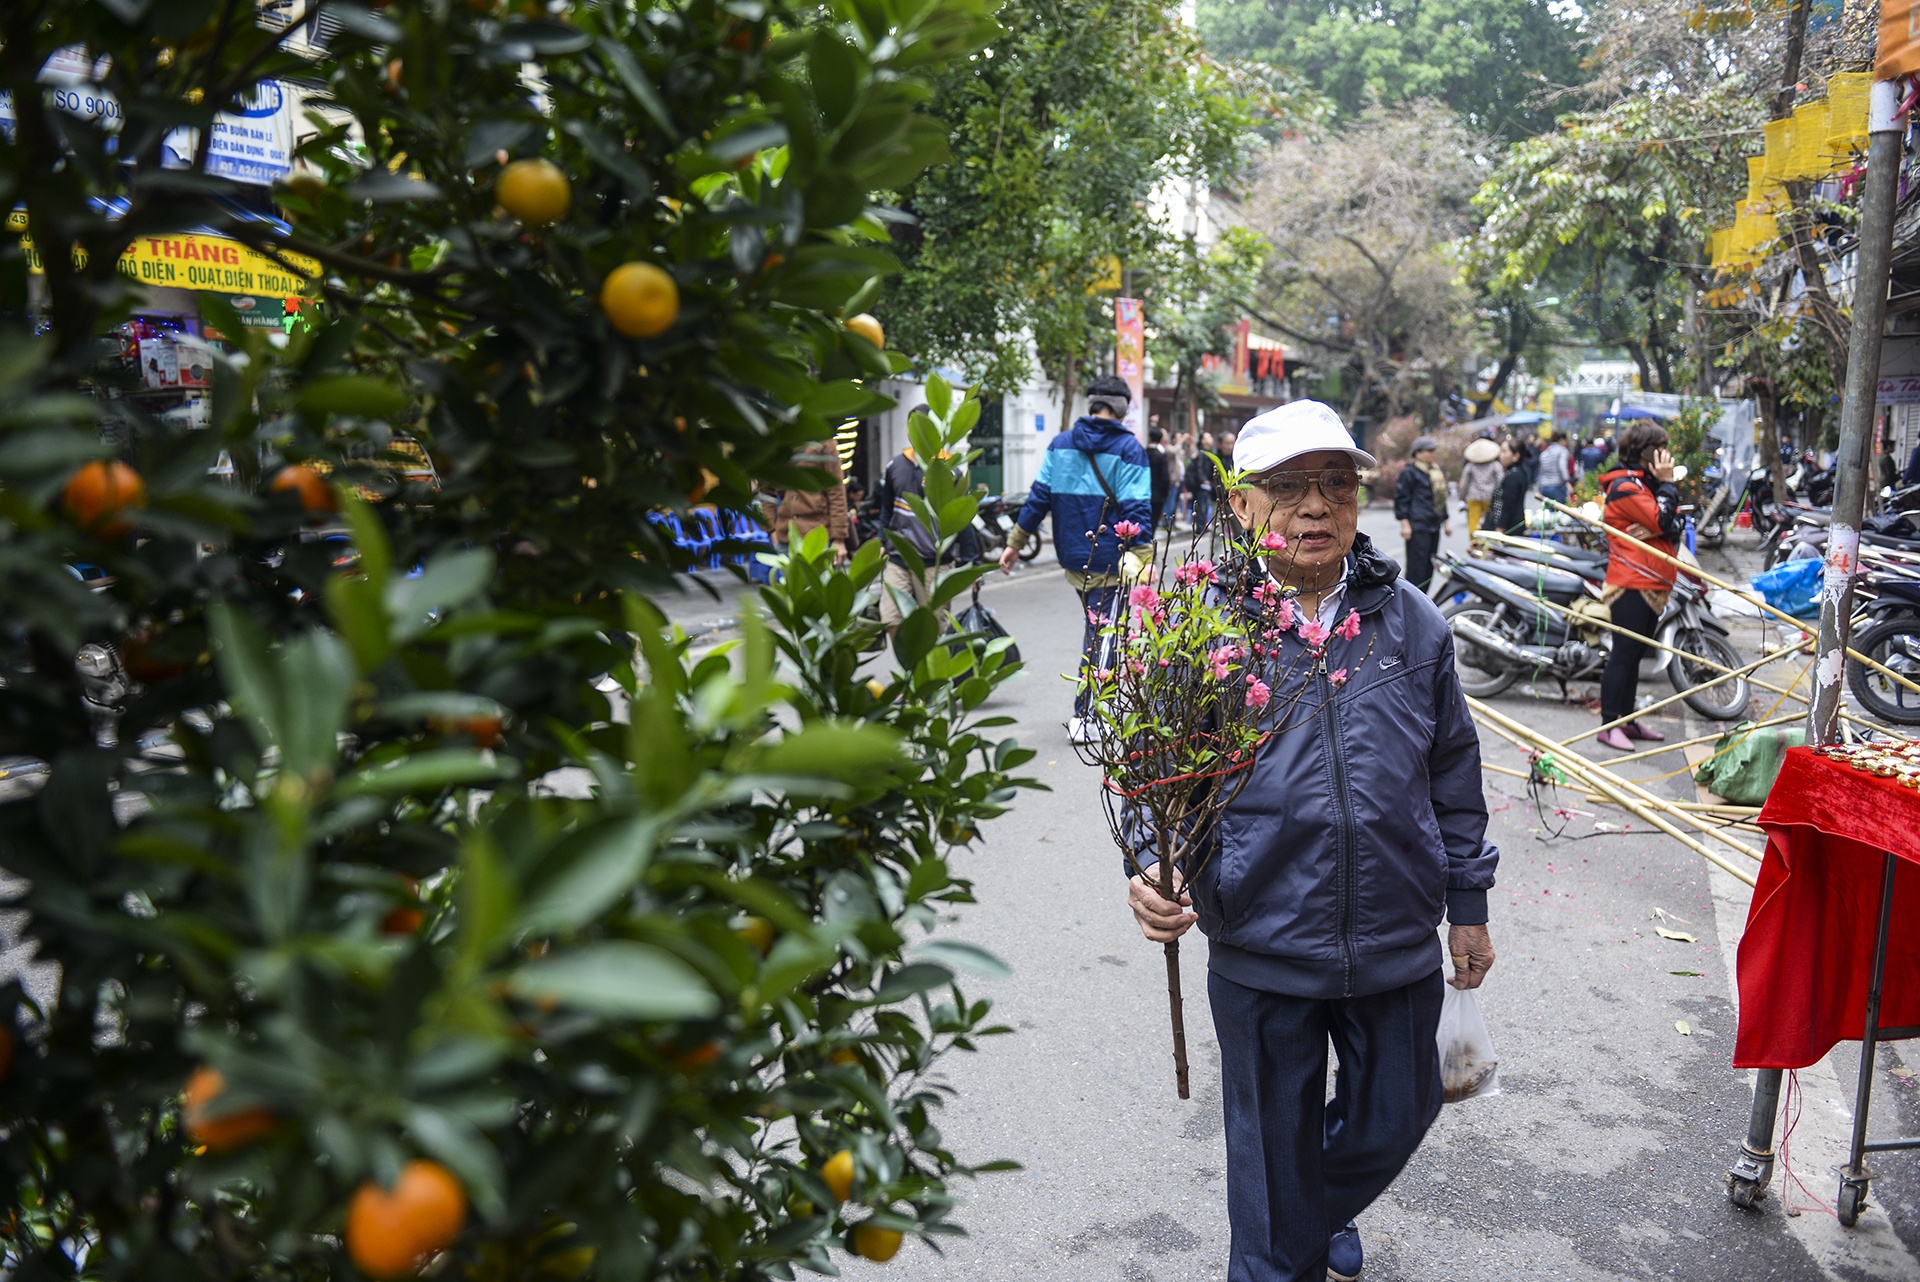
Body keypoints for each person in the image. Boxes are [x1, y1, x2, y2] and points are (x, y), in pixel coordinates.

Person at [1126, 399, 1497, 1282]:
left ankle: (1309, 1208)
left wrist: (1468, 904)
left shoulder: (1413, 622)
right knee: (1270, 1154)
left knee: (1396, 1116)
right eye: (1287, 487)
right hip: (1262, 940)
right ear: (1240, 505)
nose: (1316, 506)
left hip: (1395, 937)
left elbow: (1453, 770)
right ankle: (1283, 1241)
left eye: (1336, 484)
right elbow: (1146, 771)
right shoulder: (1196, 631)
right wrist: (1149, 863)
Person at [1000, 374, 1153, 744]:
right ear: (1122, 409)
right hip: (1112, 560)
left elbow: (1038, 497)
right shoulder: (1129, 449)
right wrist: (1144, 557)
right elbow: (1136, 510)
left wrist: (1015, 542)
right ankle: (1087, 716)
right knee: (1104, 638)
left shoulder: (1060, 444)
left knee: (1097, 631)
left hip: (1073, 558)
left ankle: (1094, 712)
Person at [1595, 423, 1682, 751]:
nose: (1666, 454)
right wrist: (1667, 491)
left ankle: (1627, 720)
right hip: (1632, 581)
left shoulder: (1645, 484)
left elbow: (1675, 522)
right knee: (1623, 654)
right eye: (1660, 448)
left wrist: (1662, 523)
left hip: (1652, 580)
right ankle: (1609, 725)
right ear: (1646, 451)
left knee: (1634, 657)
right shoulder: (1625, 487)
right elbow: (1664, 520)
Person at [876, 405, 977, 637]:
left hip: (935, 562)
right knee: (891, 619)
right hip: (899, 558)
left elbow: (962, 518)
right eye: (914, 427)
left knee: (934, 627)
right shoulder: (895, 465)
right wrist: (881, 540)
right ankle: (907, 659)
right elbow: (887, 509)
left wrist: (971, 563)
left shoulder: (949, 470)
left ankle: (929, 662)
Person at [759, 436, 849, 565]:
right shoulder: (777, 441)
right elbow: (766, 491)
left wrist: (839, 539)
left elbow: (836, 492)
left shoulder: (824, 441)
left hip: (817, 534)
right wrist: (772, 530)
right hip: (785, 536)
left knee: (819, 577)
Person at [1393, 434, 1451, 591]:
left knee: (1429, 567)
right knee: (1416, 568)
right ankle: (1411, 599)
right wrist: (1405, 523)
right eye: (1428, 450)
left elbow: (1440, 498)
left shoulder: (1435, 472)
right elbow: (1402, 498)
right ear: (1418, 453)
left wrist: (1445, 521)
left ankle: (1423, 598)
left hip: (1433, 524)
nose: (1432, 454)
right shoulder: (1410, 472)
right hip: (1418, 525)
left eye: (1433, 450)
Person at [1481, 437, 1529, 536]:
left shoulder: (1513, 476)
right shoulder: (1517, 472)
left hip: (1508, 529)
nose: (1500, 455)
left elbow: (1508, 505)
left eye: (1504, 451)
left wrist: (1500, 528)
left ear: (1515, 456)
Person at [1460, 436, 1502, 535]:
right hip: (1490, 496)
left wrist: (1462, 497)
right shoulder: (1495, 465)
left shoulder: (1470, 466)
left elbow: (1464, 483)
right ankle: (1487, 539)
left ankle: (1474, 540)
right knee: (1489, 520)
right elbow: (1500, 481)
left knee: (1473, 520)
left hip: (1473, 496)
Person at [1184, 431, 1218, 529]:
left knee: (1204, 506)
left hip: (1206, 484)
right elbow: (1199, 468)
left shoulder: (1209, 452)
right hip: (1201, 485)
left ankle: (1202, 526)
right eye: (1207, 437)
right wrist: (1204, 480)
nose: (1210, 439)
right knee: (1201, 506)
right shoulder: (1200, 453)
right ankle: (1200, 527)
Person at [1146, 426, 1173, 533]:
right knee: (1154, 520)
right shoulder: (1161, 455)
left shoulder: (1144, 453)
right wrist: (1166, 492)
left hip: (1144, 492)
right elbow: (1165, 476)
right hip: (1158, 495)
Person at [1538, 430, 1572, 505]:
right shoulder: (1562, 450)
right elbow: (1562, 466)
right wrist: (1567, 482)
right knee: (1560, 510)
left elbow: (1541, 471)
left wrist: (1539, 486)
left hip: (1544, 486)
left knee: (1547, 510)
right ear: (1562, 440)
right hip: (1557, 486)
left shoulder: (1544, 453)